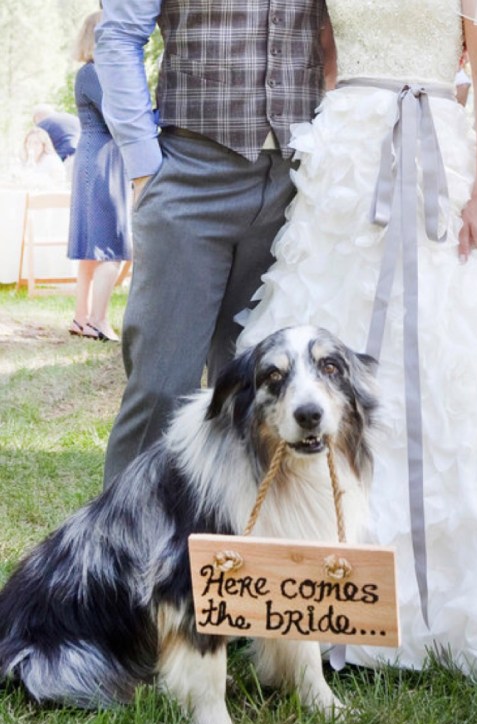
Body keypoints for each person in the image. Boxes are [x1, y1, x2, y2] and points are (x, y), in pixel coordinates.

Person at [236, 0, 477, 686]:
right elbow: (323, 56)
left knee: (445, 369)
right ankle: (318, 595)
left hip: (433, 160)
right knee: (322, 349)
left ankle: (435, 613)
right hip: (345, 161)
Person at [95, 0, 336, 487]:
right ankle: (123, 547)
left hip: (297, 182)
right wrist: (144, 166)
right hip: (190, 171)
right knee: (161, 386)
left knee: (259, 388)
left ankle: (235, 545)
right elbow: (118, 37)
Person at [67, 11, 131, 343]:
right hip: (103, 160)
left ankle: (82, 317)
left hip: (96, 158)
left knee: (93, 250)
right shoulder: (94, 74)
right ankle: (97, 321)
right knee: (114, 247)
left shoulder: (88, 73)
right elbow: (119, 116)